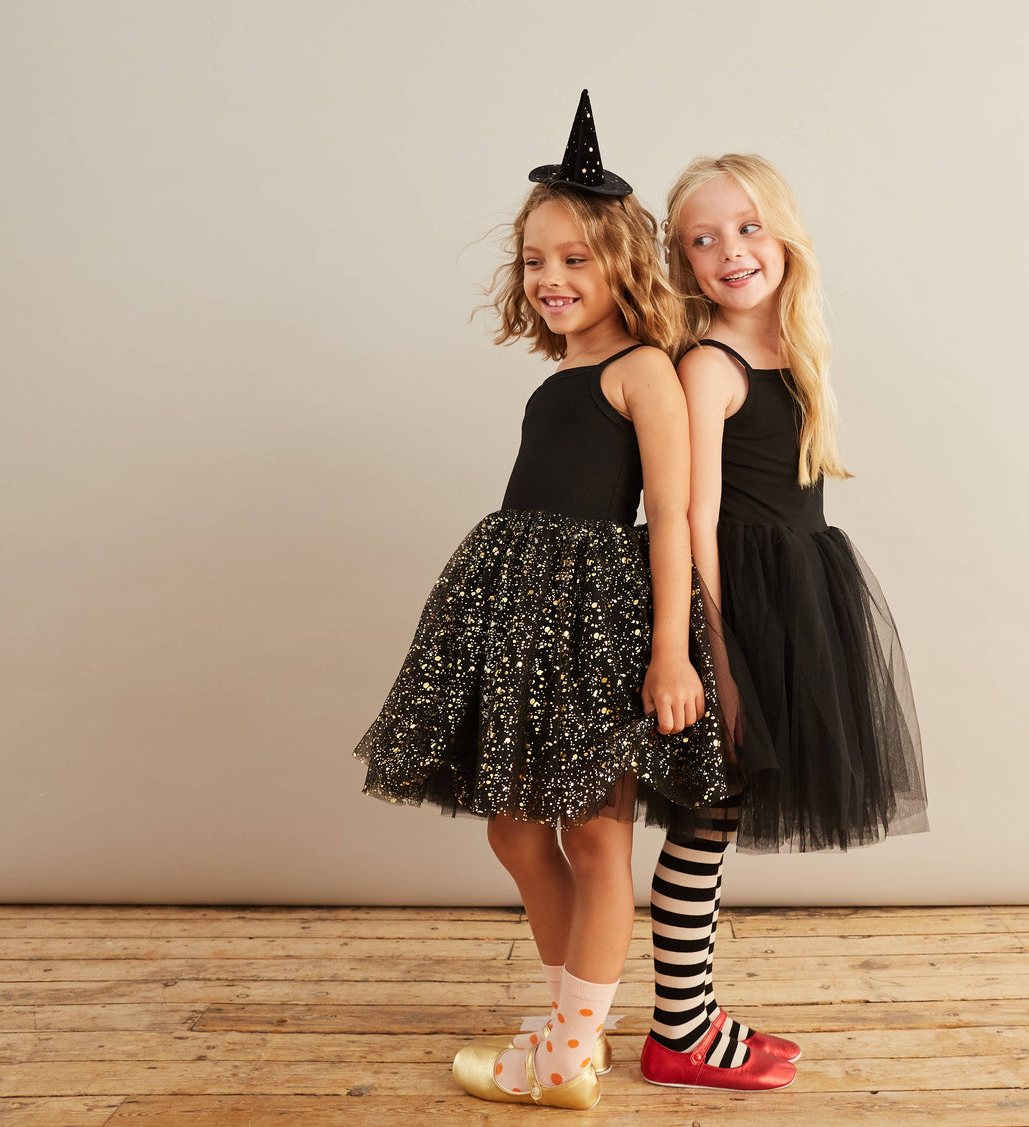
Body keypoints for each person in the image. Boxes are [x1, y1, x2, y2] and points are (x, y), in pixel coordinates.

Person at [352, 93, 744, 1110]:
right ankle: (576, 1018)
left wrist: (670, 653)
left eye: (575, 258)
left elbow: (669, 514)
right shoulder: (561, 369)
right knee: (517, 829)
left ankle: (567, 1048)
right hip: (520, 610)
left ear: (622, 263)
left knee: (595, 835)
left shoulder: (643, 368)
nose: (551, 277)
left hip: (594, 622)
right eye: (535, 260)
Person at [638, 153, 930, 1090]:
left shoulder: (793, 354)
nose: (731, 250)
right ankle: (677, 1033)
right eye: (703, 239)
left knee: (718, 819)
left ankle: (693, 1013)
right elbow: (691, 516)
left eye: (747, 226)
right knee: (704, 818)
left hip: (793, 596)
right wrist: (718, 657)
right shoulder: (708, 365)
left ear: (784, 234)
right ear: (683, 262)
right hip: (736, 609)